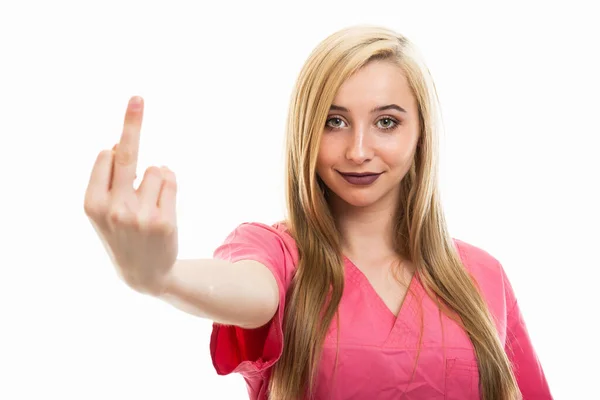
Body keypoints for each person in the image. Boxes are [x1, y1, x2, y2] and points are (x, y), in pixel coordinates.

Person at [84, 25, 552, 400]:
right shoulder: (276, 254)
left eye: (386, 122)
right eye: (335, 122)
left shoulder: (482, 275)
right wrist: (159, 276)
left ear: (420, 135)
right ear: (306, 130)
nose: (358, 150)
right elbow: (249, 290)